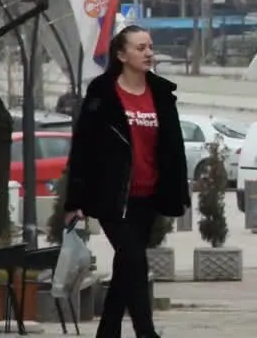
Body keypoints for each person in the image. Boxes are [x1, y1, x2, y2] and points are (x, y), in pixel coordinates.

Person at [62, 26, 189, 338]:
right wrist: (74, 201)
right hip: (112, 197)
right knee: (133, 258)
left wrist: (177, 190)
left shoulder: (161, 93)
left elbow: (174, 148)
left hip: (149, 195)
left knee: (126, 266)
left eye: (150, 47)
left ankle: (108, 331)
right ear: (121, 55)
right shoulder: (102, 94)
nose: (148, 53)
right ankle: (146, 332)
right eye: (140, 47)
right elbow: (83, 149)